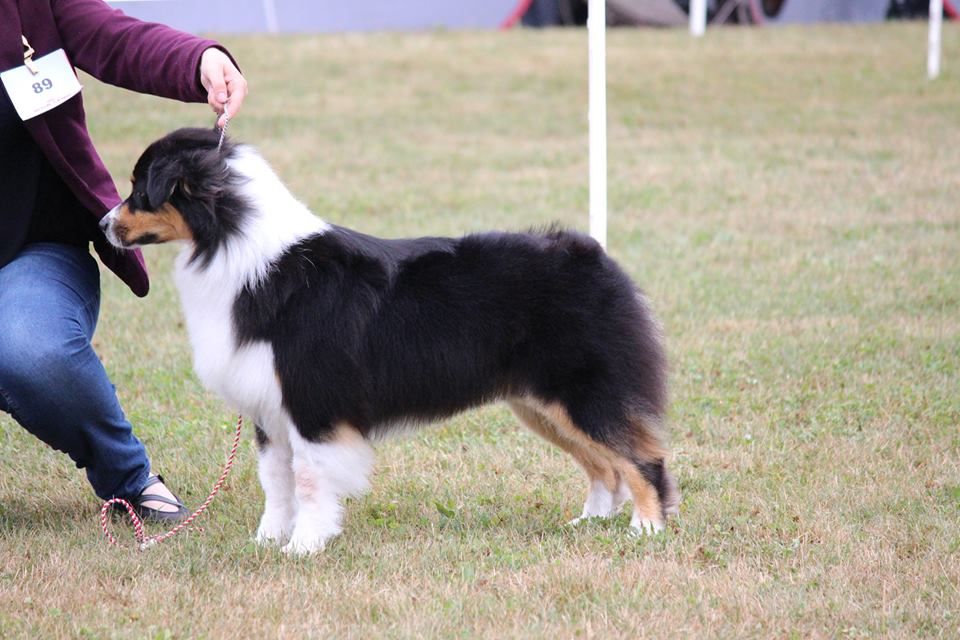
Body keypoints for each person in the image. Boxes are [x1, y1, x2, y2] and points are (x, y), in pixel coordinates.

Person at [0, 0, 248, 522]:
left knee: (31, 350)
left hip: (33, 250)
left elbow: (116, 38)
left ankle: (129, 480)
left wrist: (198, 60)